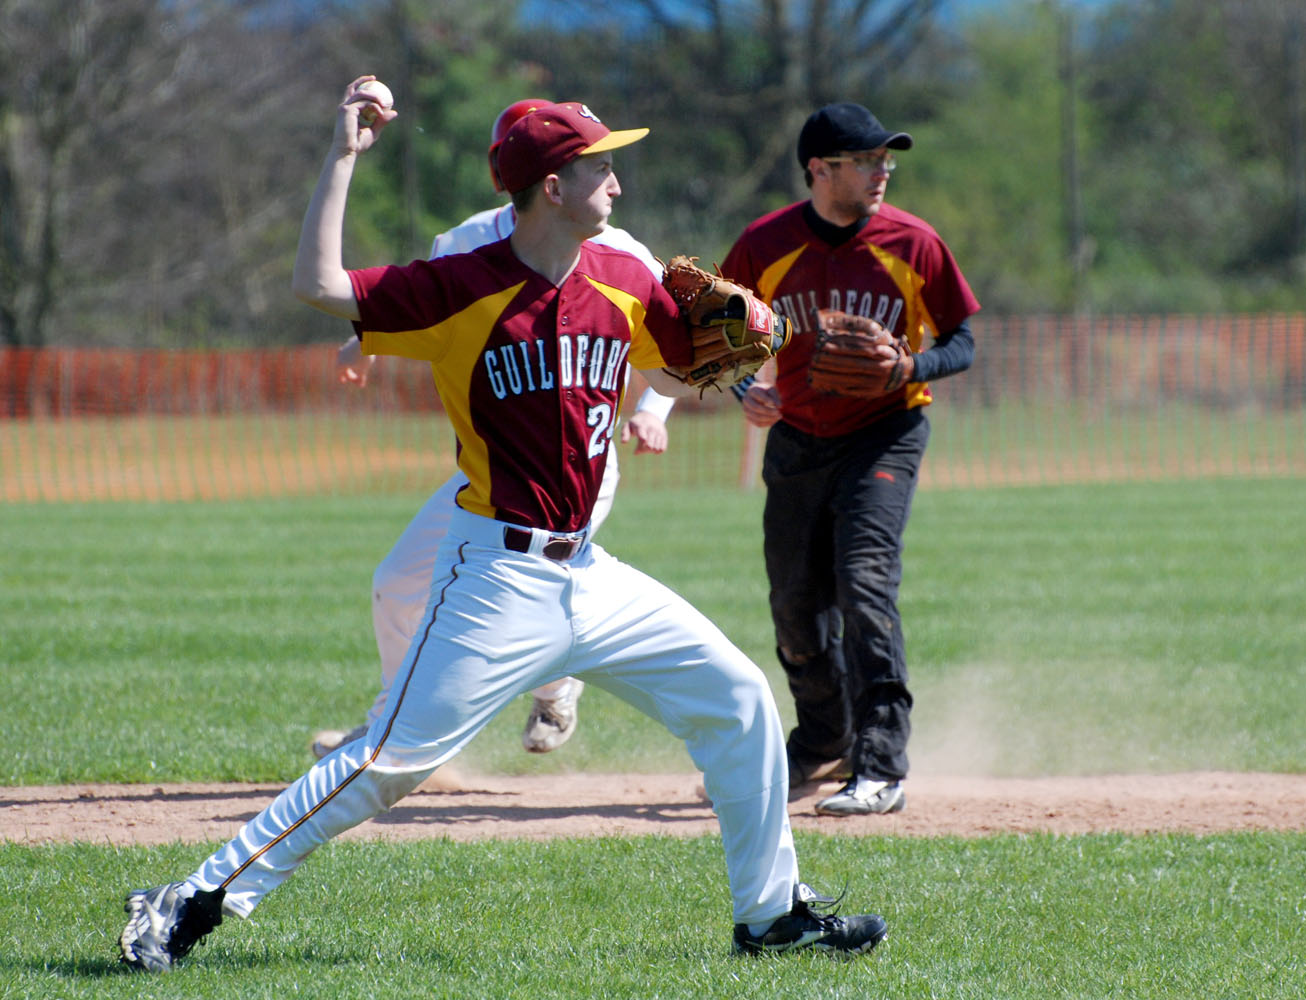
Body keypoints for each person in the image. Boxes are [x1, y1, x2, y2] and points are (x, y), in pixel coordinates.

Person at [117, 81, 888, 972]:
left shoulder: (626, 276)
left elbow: (682, 368)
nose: (617, 183)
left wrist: (751, 342)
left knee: (741, 700)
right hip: (497, 575)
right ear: (551, 187)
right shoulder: (462, 285)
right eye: (599, 167)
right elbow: (317, 286)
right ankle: (191, 899)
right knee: (386, 765)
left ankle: (771, 916)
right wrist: (343, 155)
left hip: (591, 574)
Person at [312, 98, 677, 760]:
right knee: (398, 582)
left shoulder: (618, 250)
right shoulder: (463, 242)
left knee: (532, 596)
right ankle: (395, 720)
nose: (612, 183)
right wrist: (365, 341)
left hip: (581, 463)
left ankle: (529, 697)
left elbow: (676, 346)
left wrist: (654, 409)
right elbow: (426, 306)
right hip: (489, 473)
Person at [720, 102, 980, 817]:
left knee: (864, 584)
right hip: (797, 437)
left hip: (884, 432)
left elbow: (962, 341)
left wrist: (912, 366)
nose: (881, 171)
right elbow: (717, 333)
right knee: (795, 608)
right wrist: (747, 388)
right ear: (819, 169)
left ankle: (881, 763)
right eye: (865, 160)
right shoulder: (765, 244)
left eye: (884, 159)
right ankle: (822, 739)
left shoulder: (913, 242)